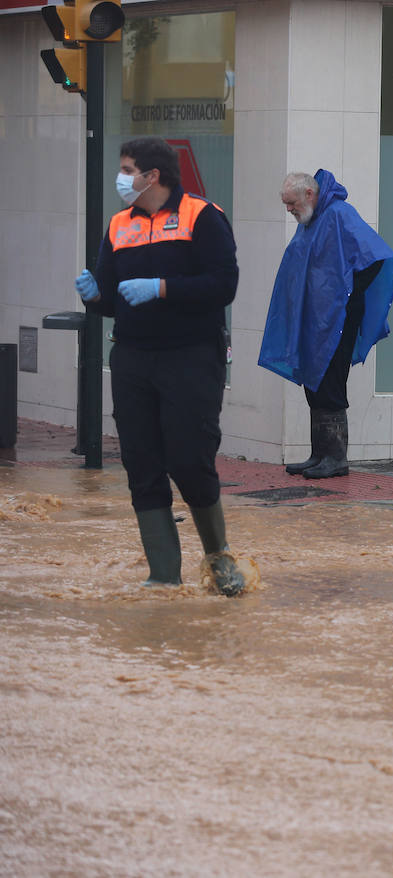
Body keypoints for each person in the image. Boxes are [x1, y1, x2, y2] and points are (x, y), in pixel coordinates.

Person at [73, 137, 246, 596]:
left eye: (128, 169)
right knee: (142, 463)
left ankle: (219, 559)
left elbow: (223, 284)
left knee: (190, 460)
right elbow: (112, 298)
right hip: (132, 356)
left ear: (154, 176)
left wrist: (163, 287)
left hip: (191, 355)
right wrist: (94, 297)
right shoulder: (119, 225)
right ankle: (164, 574)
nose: (122, 178)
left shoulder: (202, 216)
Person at [258, 170, 393, 479]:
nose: (289, 210)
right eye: (286, 204)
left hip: (336, 318)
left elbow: (375, 258)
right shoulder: (312, 221)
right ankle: (320, 454)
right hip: (315, 318)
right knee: (315, 382)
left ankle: (336, 458)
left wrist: (345, 295)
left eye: (291, 203)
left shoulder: (338, 215)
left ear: (310, 194)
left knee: (330, 382)